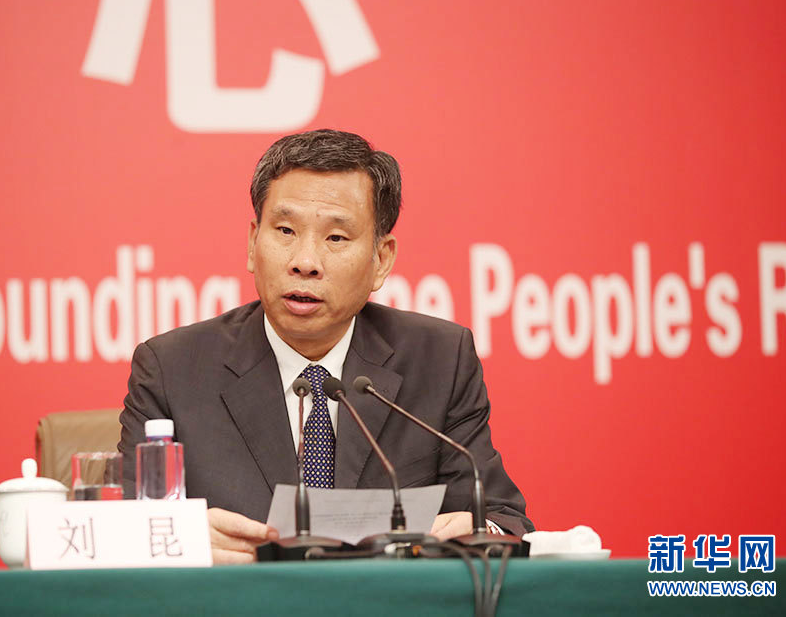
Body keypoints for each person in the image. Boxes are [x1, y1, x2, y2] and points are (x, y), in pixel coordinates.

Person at [119, 129, 532, 564]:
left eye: (336, 238)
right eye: (285, 230)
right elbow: (117, 531)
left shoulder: (440, 360)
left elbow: (503, 518)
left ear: (382, 260)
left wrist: (478, 530)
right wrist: (182, 537)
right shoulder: (171, 370)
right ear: (252, 242)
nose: (305, 262)